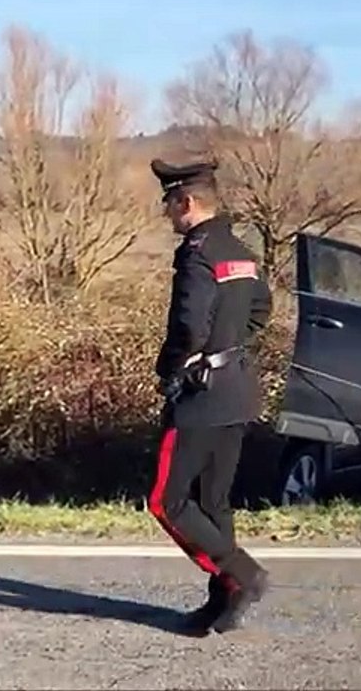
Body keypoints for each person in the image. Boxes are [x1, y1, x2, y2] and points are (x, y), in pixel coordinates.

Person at [148, 157, 273, 636]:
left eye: (168, 204)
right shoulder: (238, 250)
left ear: (186, 202)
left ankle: (241, 573)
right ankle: (223, 600)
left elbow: (188, 326)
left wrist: (172, 367)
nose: (166, 214)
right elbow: (261, 308)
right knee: (212, 500)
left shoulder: (196, 254)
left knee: (167, 500)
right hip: (236, 389)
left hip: (200, 397)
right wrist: (228, 348)